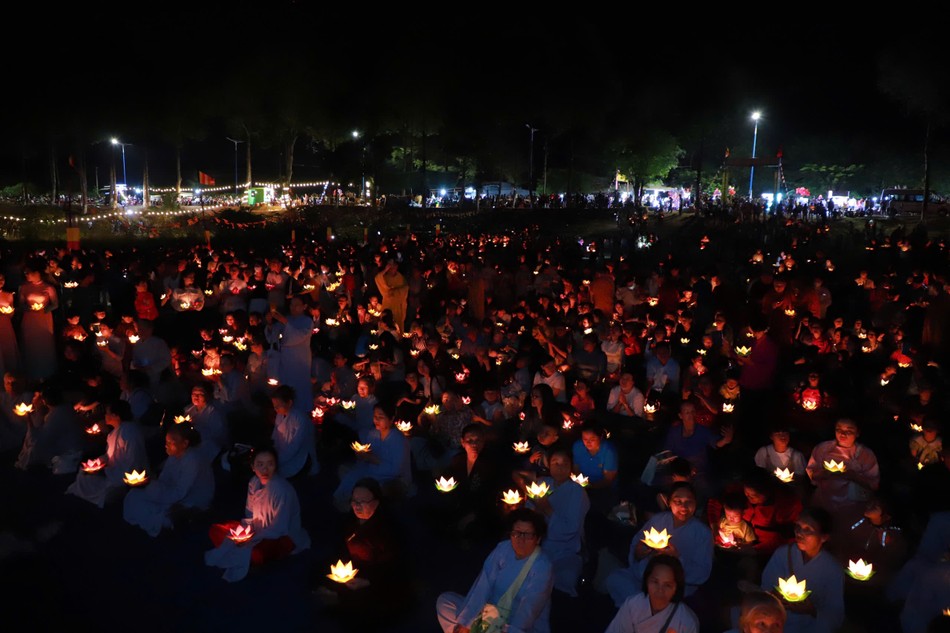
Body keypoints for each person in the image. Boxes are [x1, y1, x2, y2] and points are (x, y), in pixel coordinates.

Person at [436, 508, 554, 633]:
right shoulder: (503, 549)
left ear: (538, 539)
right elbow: (483, 585)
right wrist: (466, 622)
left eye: (528, 535)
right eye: (517, 533)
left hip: (514, 624)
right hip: (489, 614)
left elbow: (529, 609)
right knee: (446, 601)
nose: (521, 539)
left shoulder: (543, 566)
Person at [315, 477, 410, 630]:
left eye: (362, 502)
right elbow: (340, 548)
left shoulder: (387, 530)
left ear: (376, 502)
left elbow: (393, 566)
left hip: (377, 576)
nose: (357, 506)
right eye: (354, 501)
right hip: (353, 569)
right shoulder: (349, 521)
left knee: (364, 606)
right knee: (318, 570)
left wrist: (368, 581)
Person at [205, 446, 310, 582]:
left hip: (281, 537)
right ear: (253, 466)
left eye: (270, 464)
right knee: (218, 530)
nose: (265, 470)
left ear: (276, 466)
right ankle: (248, 558)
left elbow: (279, 528)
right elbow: (249, 513)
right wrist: (245, 534)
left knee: (256, 553)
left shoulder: (282, 490)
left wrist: (251, 539)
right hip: (257, 531)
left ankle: (254, 559)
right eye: (260, 464)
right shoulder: (254, 482)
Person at [606, 482, 712, 607]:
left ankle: (641, 610)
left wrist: (677, 558)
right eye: (678, 501)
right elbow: (637, 543)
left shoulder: (702, 533)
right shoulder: (659, 519)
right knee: (614, 579)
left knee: (651, 599)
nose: (684, 507)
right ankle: (640, 608)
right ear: (669, 502)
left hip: (673, 587)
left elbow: (702, 573)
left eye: (689, 502)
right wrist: (639, 553)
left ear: (695, 503)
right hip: (645, 577)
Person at [759, 509, 843, 633]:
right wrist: (775, 597)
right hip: (776, 622)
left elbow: (835, 614)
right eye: (798, 527)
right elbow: (765, 588)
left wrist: (811, 610)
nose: (799, 533)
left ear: (824, 537)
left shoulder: (832, 568)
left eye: (808, 529)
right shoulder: (783, 554)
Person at [123, 424, 214, 537]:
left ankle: (173, 522)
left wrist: (153, 489)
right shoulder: (174, 455)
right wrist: (148, 484)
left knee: (154, 509)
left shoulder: (192, 460)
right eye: (166, 442)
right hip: (171, 492)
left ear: (185, 443)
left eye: (171, 443)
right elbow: (164, 479)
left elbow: (180, 492)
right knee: (133, 495)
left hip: (191, 499)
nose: (166, 446)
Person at [527, 448, 590, 596]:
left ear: (571, 467)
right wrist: (535, 509)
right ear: (549, 465)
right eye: (556, 463)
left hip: (565, 550)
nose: (560, 468)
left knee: (565, 579)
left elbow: (571, 529)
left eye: (564, 464)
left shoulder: (577, 492)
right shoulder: (542, 483)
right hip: (538, 545)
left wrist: (547, 508)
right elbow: (528, 516)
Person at [66, 400, 148, 507]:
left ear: (116, 416)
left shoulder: (129, 432)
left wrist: (110, 472)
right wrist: (99, 461)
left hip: (125, 475)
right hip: (113, 471)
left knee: (90, 480)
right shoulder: (115, 432)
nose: (105, 416)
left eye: (107, 413)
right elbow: (110, 455)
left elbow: (134, 459)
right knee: (83, 473)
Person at [332, 403, 411, 510]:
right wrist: (361, 456)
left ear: (391, 419)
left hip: (393, 477)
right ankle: (347, 500)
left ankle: (353, 505)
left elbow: (396, 470)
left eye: (381, 417)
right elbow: (366, 457)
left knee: (360, 481)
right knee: (347, 472)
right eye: (375, 417)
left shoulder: (398, 439)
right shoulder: (373, 434)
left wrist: (372, 459)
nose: (376, 420)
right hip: (373, 470)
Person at [805, 418, 879, 525]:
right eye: (839, 429)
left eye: (849, 431)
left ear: (857, 433)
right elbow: (812, 474)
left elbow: (873, 484)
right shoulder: (823, 449)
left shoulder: (865, 454)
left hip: (853, 506)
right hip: (824, 502)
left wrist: (852, 476)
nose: (842, 434)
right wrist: (827, 473)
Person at [604, 555, 699, 633]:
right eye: (655, 582)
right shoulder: (632, 605)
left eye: (667, 585)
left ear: (676, 587)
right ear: (646, 581)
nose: (660, 590)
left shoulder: (686, 621)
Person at [18, 263, 58, 381]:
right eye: (25, 273)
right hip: (29, 319)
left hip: (43, 319)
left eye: (28, 273)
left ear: (37, 273)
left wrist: (46, 309)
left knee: (44, 345)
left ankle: (46, 372)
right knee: (31, 344)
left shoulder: (49, 288)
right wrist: (28, 308)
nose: (26, 275)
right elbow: (20, 305)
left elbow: (55, 304)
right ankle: (31, 373)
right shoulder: (24, 287)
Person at [270, 385, 317, 479]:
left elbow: (295, 446)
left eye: (278, 406)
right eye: (274, 406)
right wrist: (272, 451)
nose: (276, 409)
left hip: (300, 457)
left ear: (289, 403)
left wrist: (278, 460)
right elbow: (275, 436)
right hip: (282, 454)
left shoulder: (300, 419)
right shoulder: (279, 416)